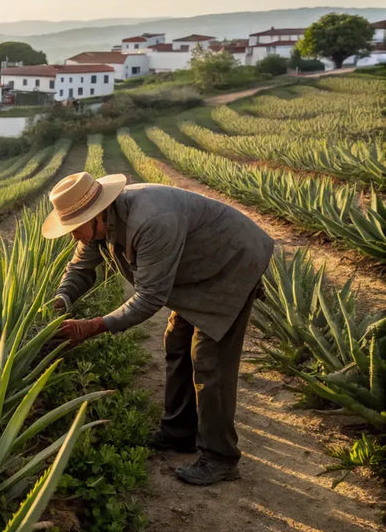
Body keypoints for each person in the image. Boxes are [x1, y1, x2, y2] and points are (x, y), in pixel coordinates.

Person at [41, 171, 274, 486]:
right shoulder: (99, 226)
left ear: (95, 215)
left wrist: (92, 327)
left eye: (74, 228)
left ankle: (220, 458)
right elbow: (80, 267)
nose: (73, 236)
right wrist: (62, 299)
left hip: (229, 263)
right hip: (193, 270)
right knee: (177, 342)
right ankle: (179, 432)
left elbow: (149, 298)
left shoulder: (151, 221)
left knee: (209, 359)